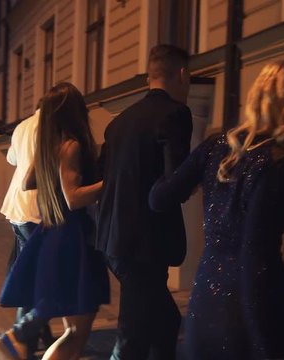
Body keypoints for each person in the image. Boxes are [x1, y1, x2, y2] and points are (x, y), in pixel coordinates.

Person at [148, 56, 284, 359]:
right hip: (253, 305)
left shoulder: (216, 145)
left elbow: (159, 198)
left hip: (207, 297)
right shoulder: (283, 162)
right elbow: (255, 257)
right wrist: (265, 344)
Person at [0, 82, 110, 360]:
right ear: (74, 111)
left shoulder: (49, 147)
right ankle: (19, 335)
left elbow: (26, 183)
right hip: (73, 237)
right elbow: (73, 199)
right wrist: (112, 183)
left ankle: (20, 334)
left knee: (69, 319)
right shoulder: (71, 146)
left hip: (52, 233)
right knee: (76, 328)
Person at [96, 44, 193, 360]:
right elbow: (174, 180)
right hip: (146, 242)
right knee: (132, 336)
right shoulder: (175, 113)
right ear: (181, 74)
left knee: (164, 322)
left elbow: (104, 176)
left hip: (113, 238)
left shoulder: (118, 122)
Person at [0, 102, 53, 359]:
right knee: (39, 276)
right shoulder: (52, 127)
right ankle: (21, 337)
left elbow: (11, 158)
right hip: (36, 210)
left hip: (16, 208)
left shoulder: (22, 126)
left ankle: (36, 334)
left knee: (31, 273)